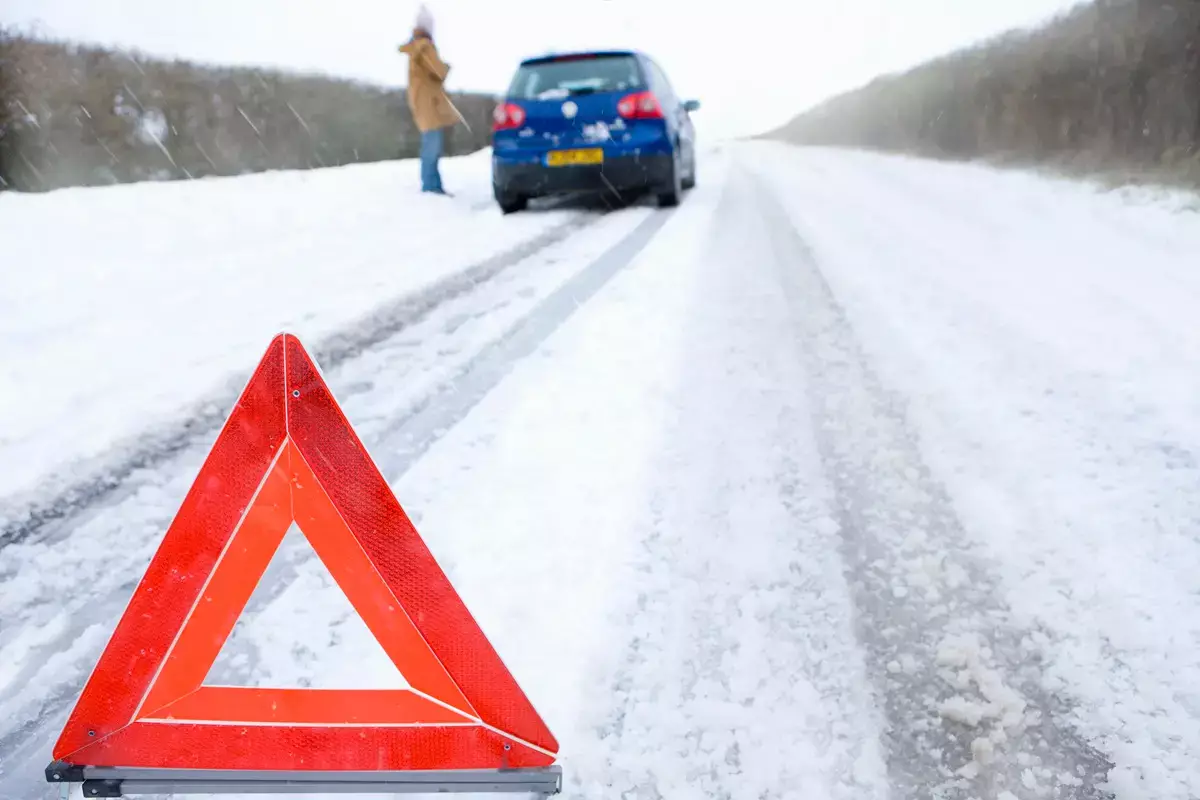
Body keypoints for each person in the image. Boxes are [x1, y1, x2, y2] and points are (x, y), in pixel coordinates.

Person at [398, 6, 461, 195]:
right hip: (430, 103)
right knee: (432, 147)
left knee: (429, 145)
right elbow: (438, 71)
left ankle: (432, 185)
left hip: (420, 102)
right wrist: (446, 67)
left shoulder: (415, 47)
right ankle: (431, 187)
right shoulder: (425, 46)